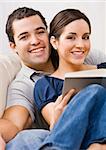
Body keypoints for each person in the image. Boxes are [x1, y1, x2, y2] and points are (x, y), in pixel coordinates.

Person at [0, 7, 105, 150]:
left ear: (49, 36)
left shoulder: (80, 53)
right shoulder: (24, 84)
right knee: (27, 138)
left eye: (40, 32)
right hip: (64, 135)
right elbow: (13, 123)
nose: (35, 41)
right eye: (24, 37)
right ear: (13, 47)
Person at [33, 9, 106, 149]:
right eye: (71, 37)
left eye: (85, 37)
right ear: (54, 42)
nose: (81, 45)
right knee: (95, 91)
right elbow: (61, 128)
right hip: (77, 142)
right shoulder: (46, 85)